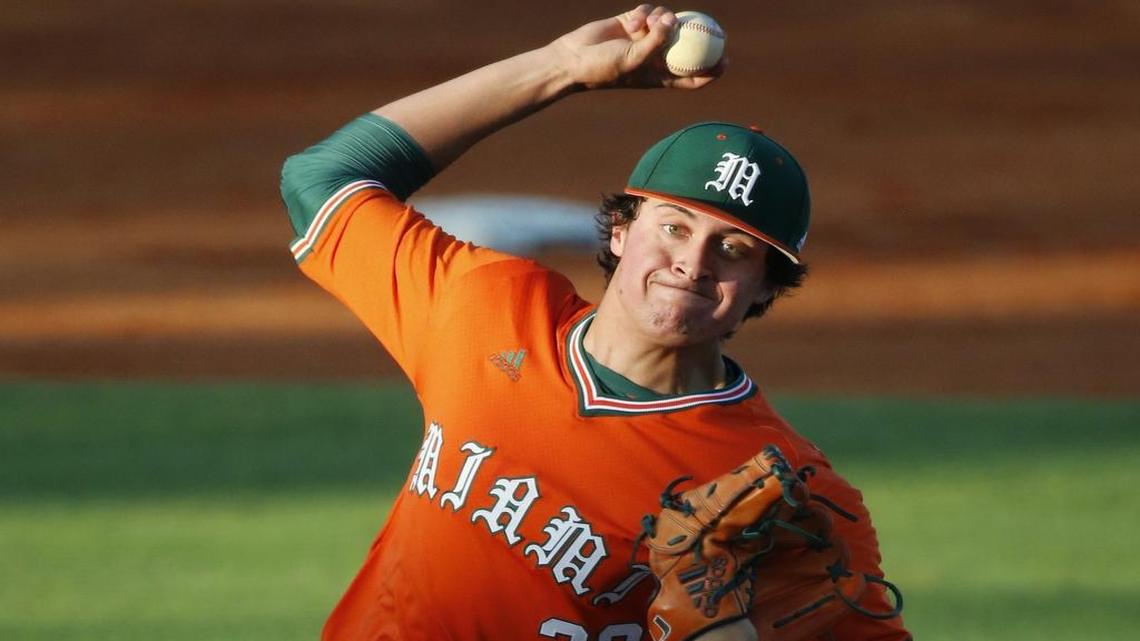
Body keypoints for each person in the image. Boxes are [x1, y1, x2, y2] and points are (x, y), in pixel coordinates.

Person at [279, 5, 910, 641]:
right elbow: (321, 180)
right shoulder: (490, 309)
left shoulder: (791, 490)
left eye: (732, 249)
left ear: (766, 286)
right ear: (620, 231)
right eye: (674, 227)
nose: (692, 264)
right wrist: (561, 68)